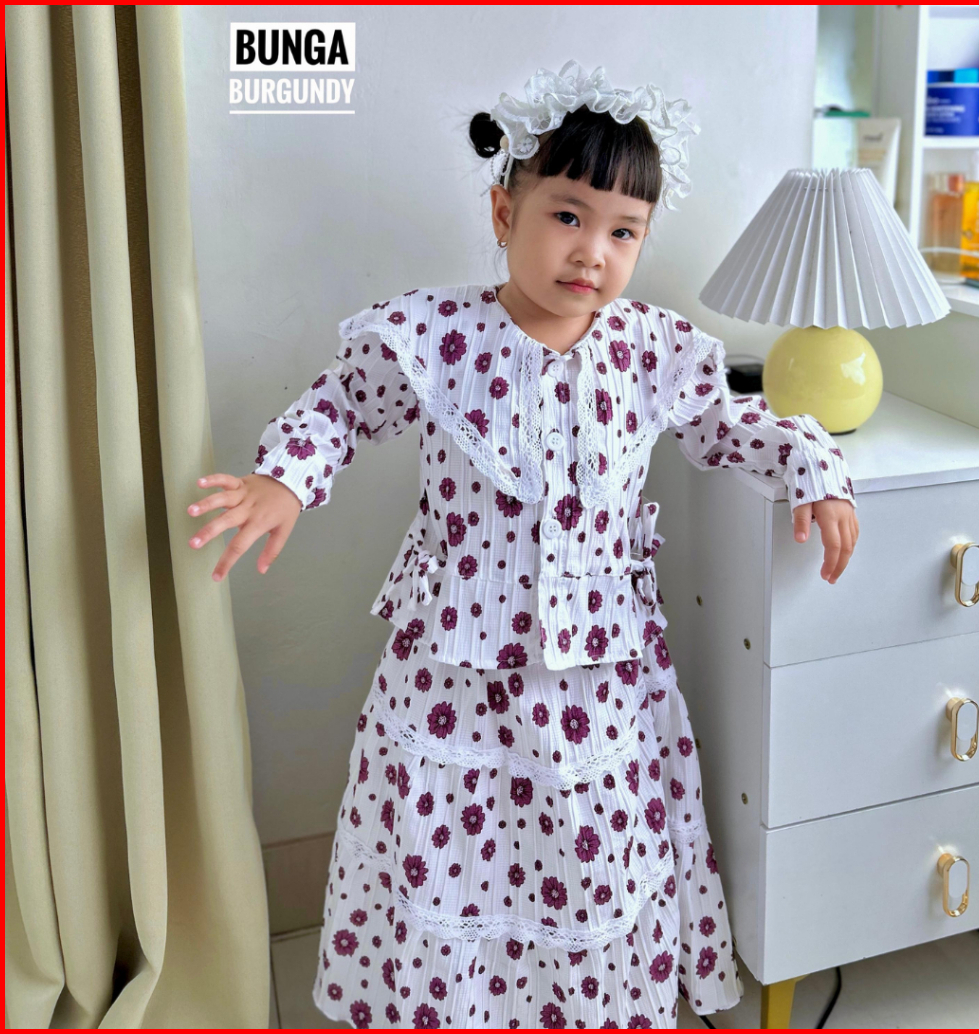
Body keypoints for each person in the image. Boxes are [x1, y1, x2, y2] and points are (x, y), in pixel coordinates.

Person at [187, 61, 858, 1029]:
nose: (593, 251)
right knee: (453, 860)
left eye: (623, 231)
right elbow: (342, 404)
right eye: (568, 216)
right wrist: (285, 477)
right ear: (505, 212)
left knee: (584, 865)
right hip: (452, 669)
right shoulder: (436, 333)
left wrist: (812, 463)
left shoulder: (653, 349)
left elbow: (728, 427)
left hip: (599, 676)